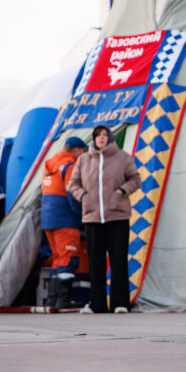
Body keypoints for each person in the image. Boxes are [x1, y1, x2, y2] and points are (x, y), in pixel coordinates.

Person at [68, 125, 140, 314]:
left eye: (105, 134)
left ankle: (120, 303)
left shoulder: (122, 157)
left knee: (118, 261)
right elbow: (73, 183)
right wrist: (83, 195)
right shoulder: (84, 159)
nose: (101, 138)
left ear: (110, 138)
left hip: (117, 215)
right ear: (93, 138)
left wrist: (122, 191)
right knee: (96, 262)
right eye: (98, 135)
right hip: (92, 217)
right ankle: (97, 304)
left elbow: (135, 178)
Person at [40, 136, 88, 309]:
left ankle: (53, 300)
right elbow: (73, 194)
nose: (83, 154)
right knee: (68, 258)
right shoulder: (70, 165)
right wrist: (81, 217)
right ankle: (63, 299)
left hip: (48, 219)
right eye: (83, 150)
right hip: (65, 219)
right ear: (76, 150)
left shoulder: (49, 164)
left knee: (58, 259)